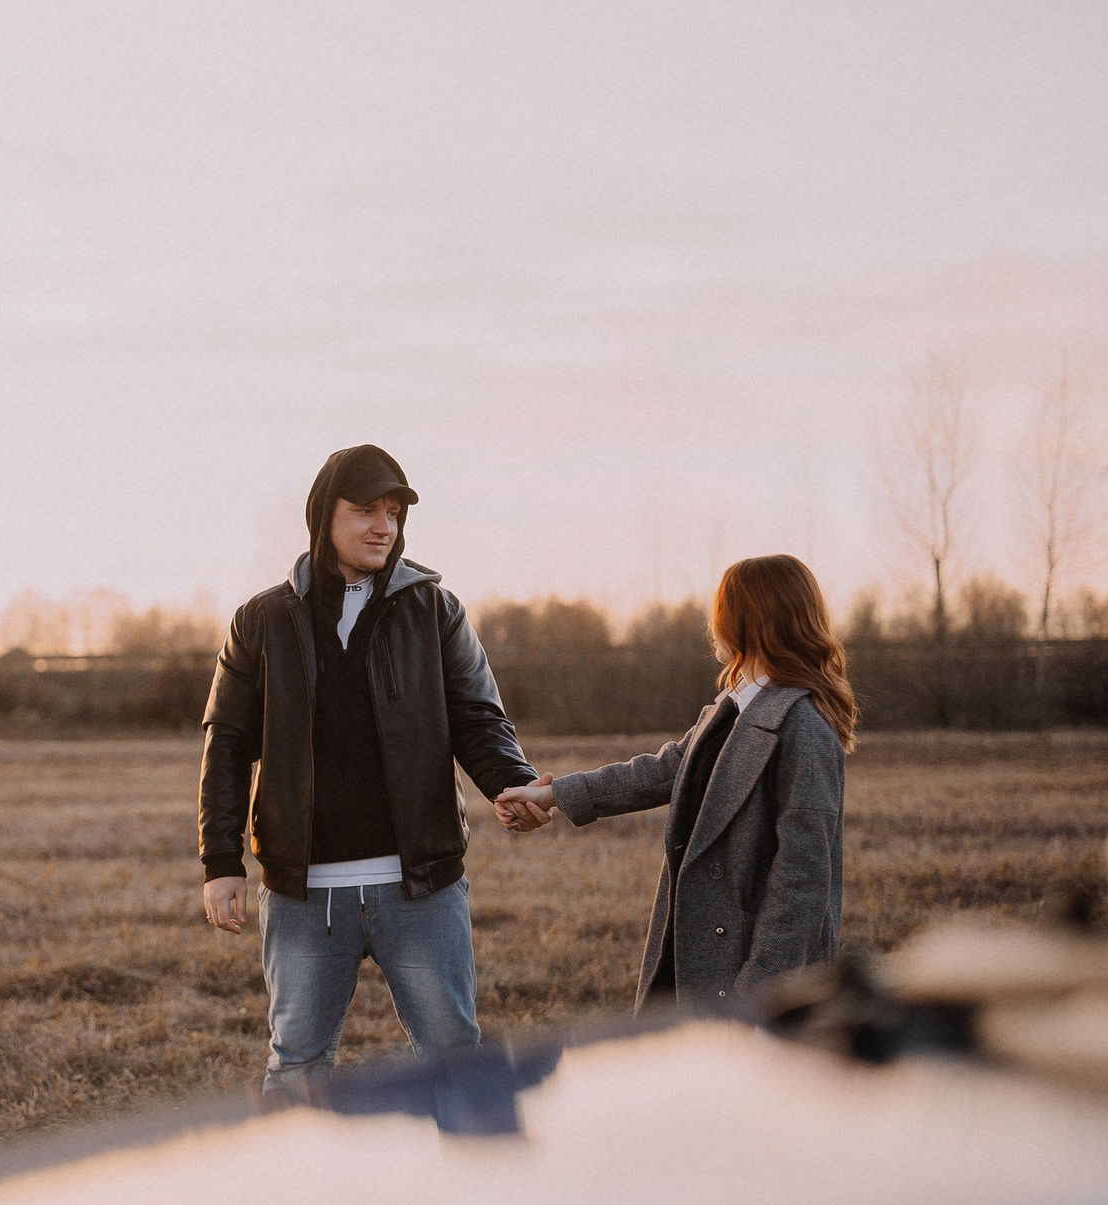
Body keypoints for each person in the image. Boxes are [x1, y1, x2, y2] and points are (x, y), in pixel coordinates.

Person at [199, 445, 541, 1089]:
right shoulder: (262, 621)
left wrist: (512, 784)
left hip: (421, 889)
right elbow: (225, 744)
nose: (383, 526)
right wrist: (221, 863)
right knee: (297, 1065)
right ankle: (301, 1191)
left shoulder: (436, 611)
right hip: (303, 895)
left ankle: (460, 1187)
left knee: (454, 1060)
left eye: (392, 512)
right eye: (365, 511)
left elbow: (479, 719)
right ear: (323, 517)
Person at [495, 554, 855, 1015]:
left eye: (721, 610)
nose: (713, 624)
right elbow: (662, 771)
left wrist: (759, 993)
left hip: (749, 969)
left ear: (749, 619)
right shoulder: (732, 706)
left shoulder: (803, 726)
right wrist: (554, 793)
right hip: (694, 944)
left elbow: (803, 884)